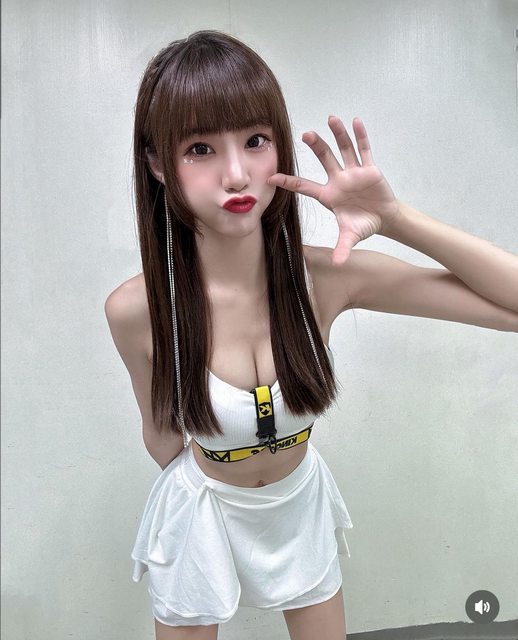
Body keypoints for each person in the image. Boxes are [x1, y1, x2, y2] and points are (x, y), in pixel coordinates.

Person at [104, 29, 518, 640]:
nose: (237, 174)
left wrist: (396, 218)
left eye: (255, 140)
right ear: (159, 166)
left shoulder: (323, 278)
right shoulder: (137, 310)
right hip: (201, 508)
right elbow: (161, 433)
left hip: (298, 502)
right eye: (200, 149)